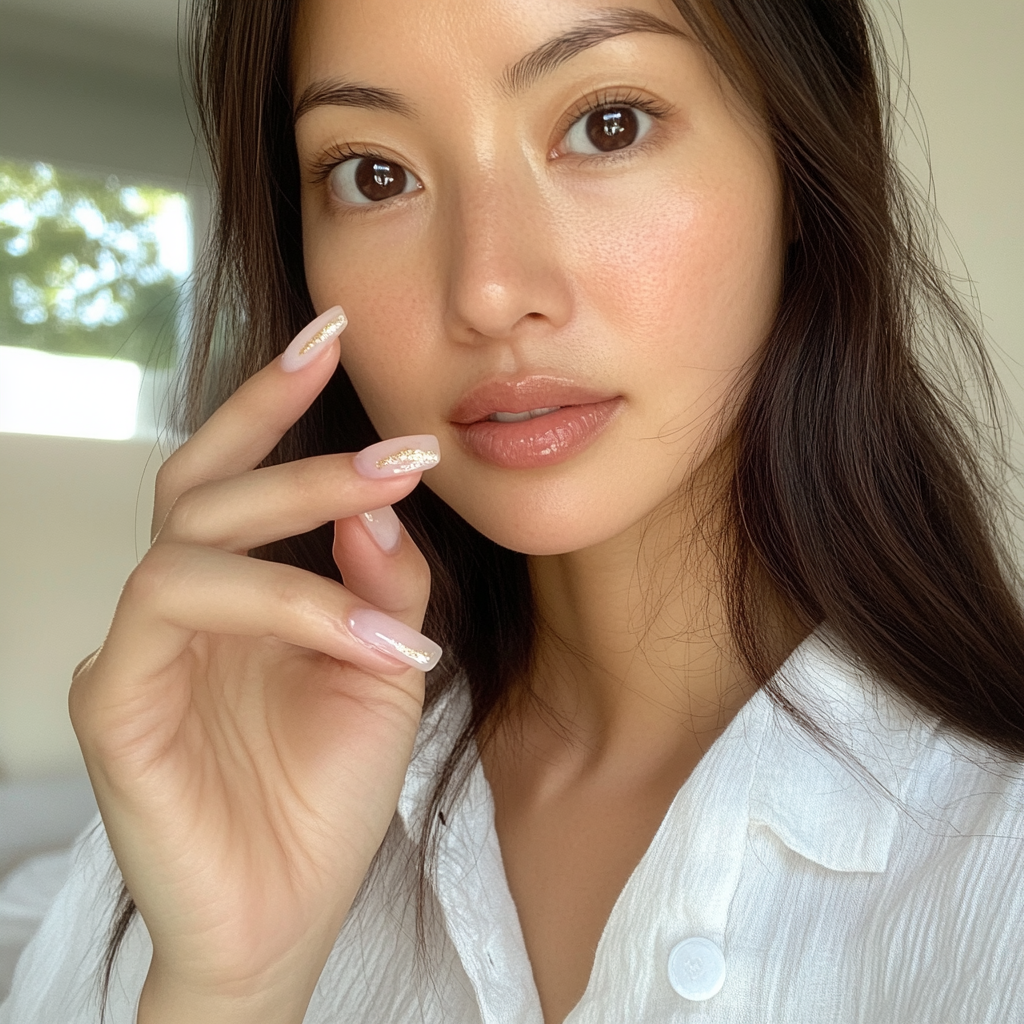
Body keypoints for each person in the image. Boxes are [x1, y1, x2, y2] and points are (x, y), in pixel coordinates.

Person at [3, 0, 1024, 1021]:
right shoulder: (172, 856)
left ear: (798, 157)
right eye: (375, 174)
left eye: (607, 124)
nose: (487, 290)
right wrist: (231, 986)